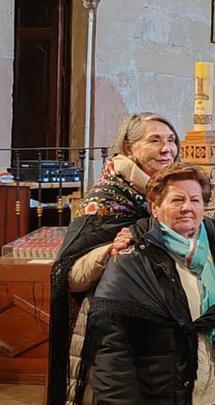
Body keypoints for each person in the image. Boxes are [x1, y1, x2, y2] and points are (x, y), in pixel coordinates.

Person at [79, 163, 215, 404]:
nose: (187, 207)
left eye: (195, 200)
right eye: (176, 200)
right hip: (160, 393)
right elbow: (112, 348)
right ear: (155, 207)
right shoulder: (133, 258)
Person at [48, 112, 180, 405]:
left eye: (171, 140)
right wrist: (109, 251)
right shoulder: (106, 199)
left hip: (162, 324)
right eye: (154, 140)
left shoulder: (174, 194)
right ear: (130, 148)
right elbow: (68, 274)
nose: (166, 148)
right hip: (112, 322)